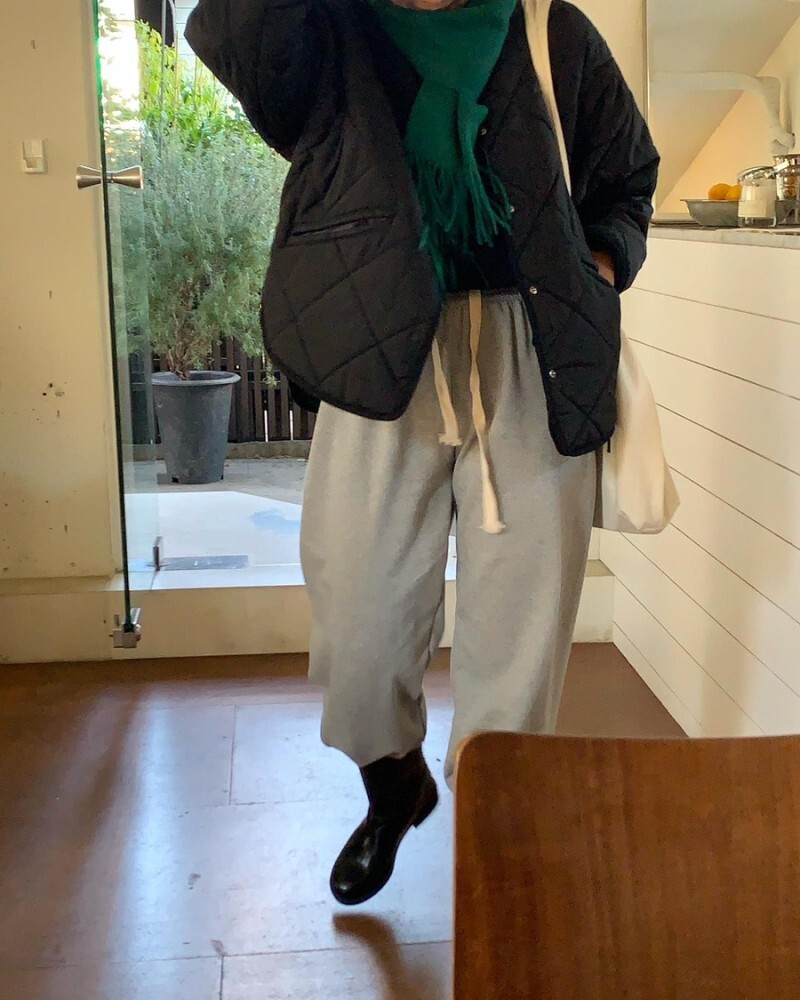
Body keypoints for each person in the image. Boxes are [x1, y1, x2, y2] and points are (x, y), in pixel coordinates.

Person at [186, 0, 658, 906]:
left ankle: (494, 831)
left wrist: (595, 268)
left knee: (521, 635)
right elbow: (238, 40)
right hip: (379, 346)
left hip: (535, 349)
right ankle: (393, 786)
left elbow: (625, 174)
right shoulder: (324, 26)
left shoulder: (548, 27)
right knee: (358, 619)